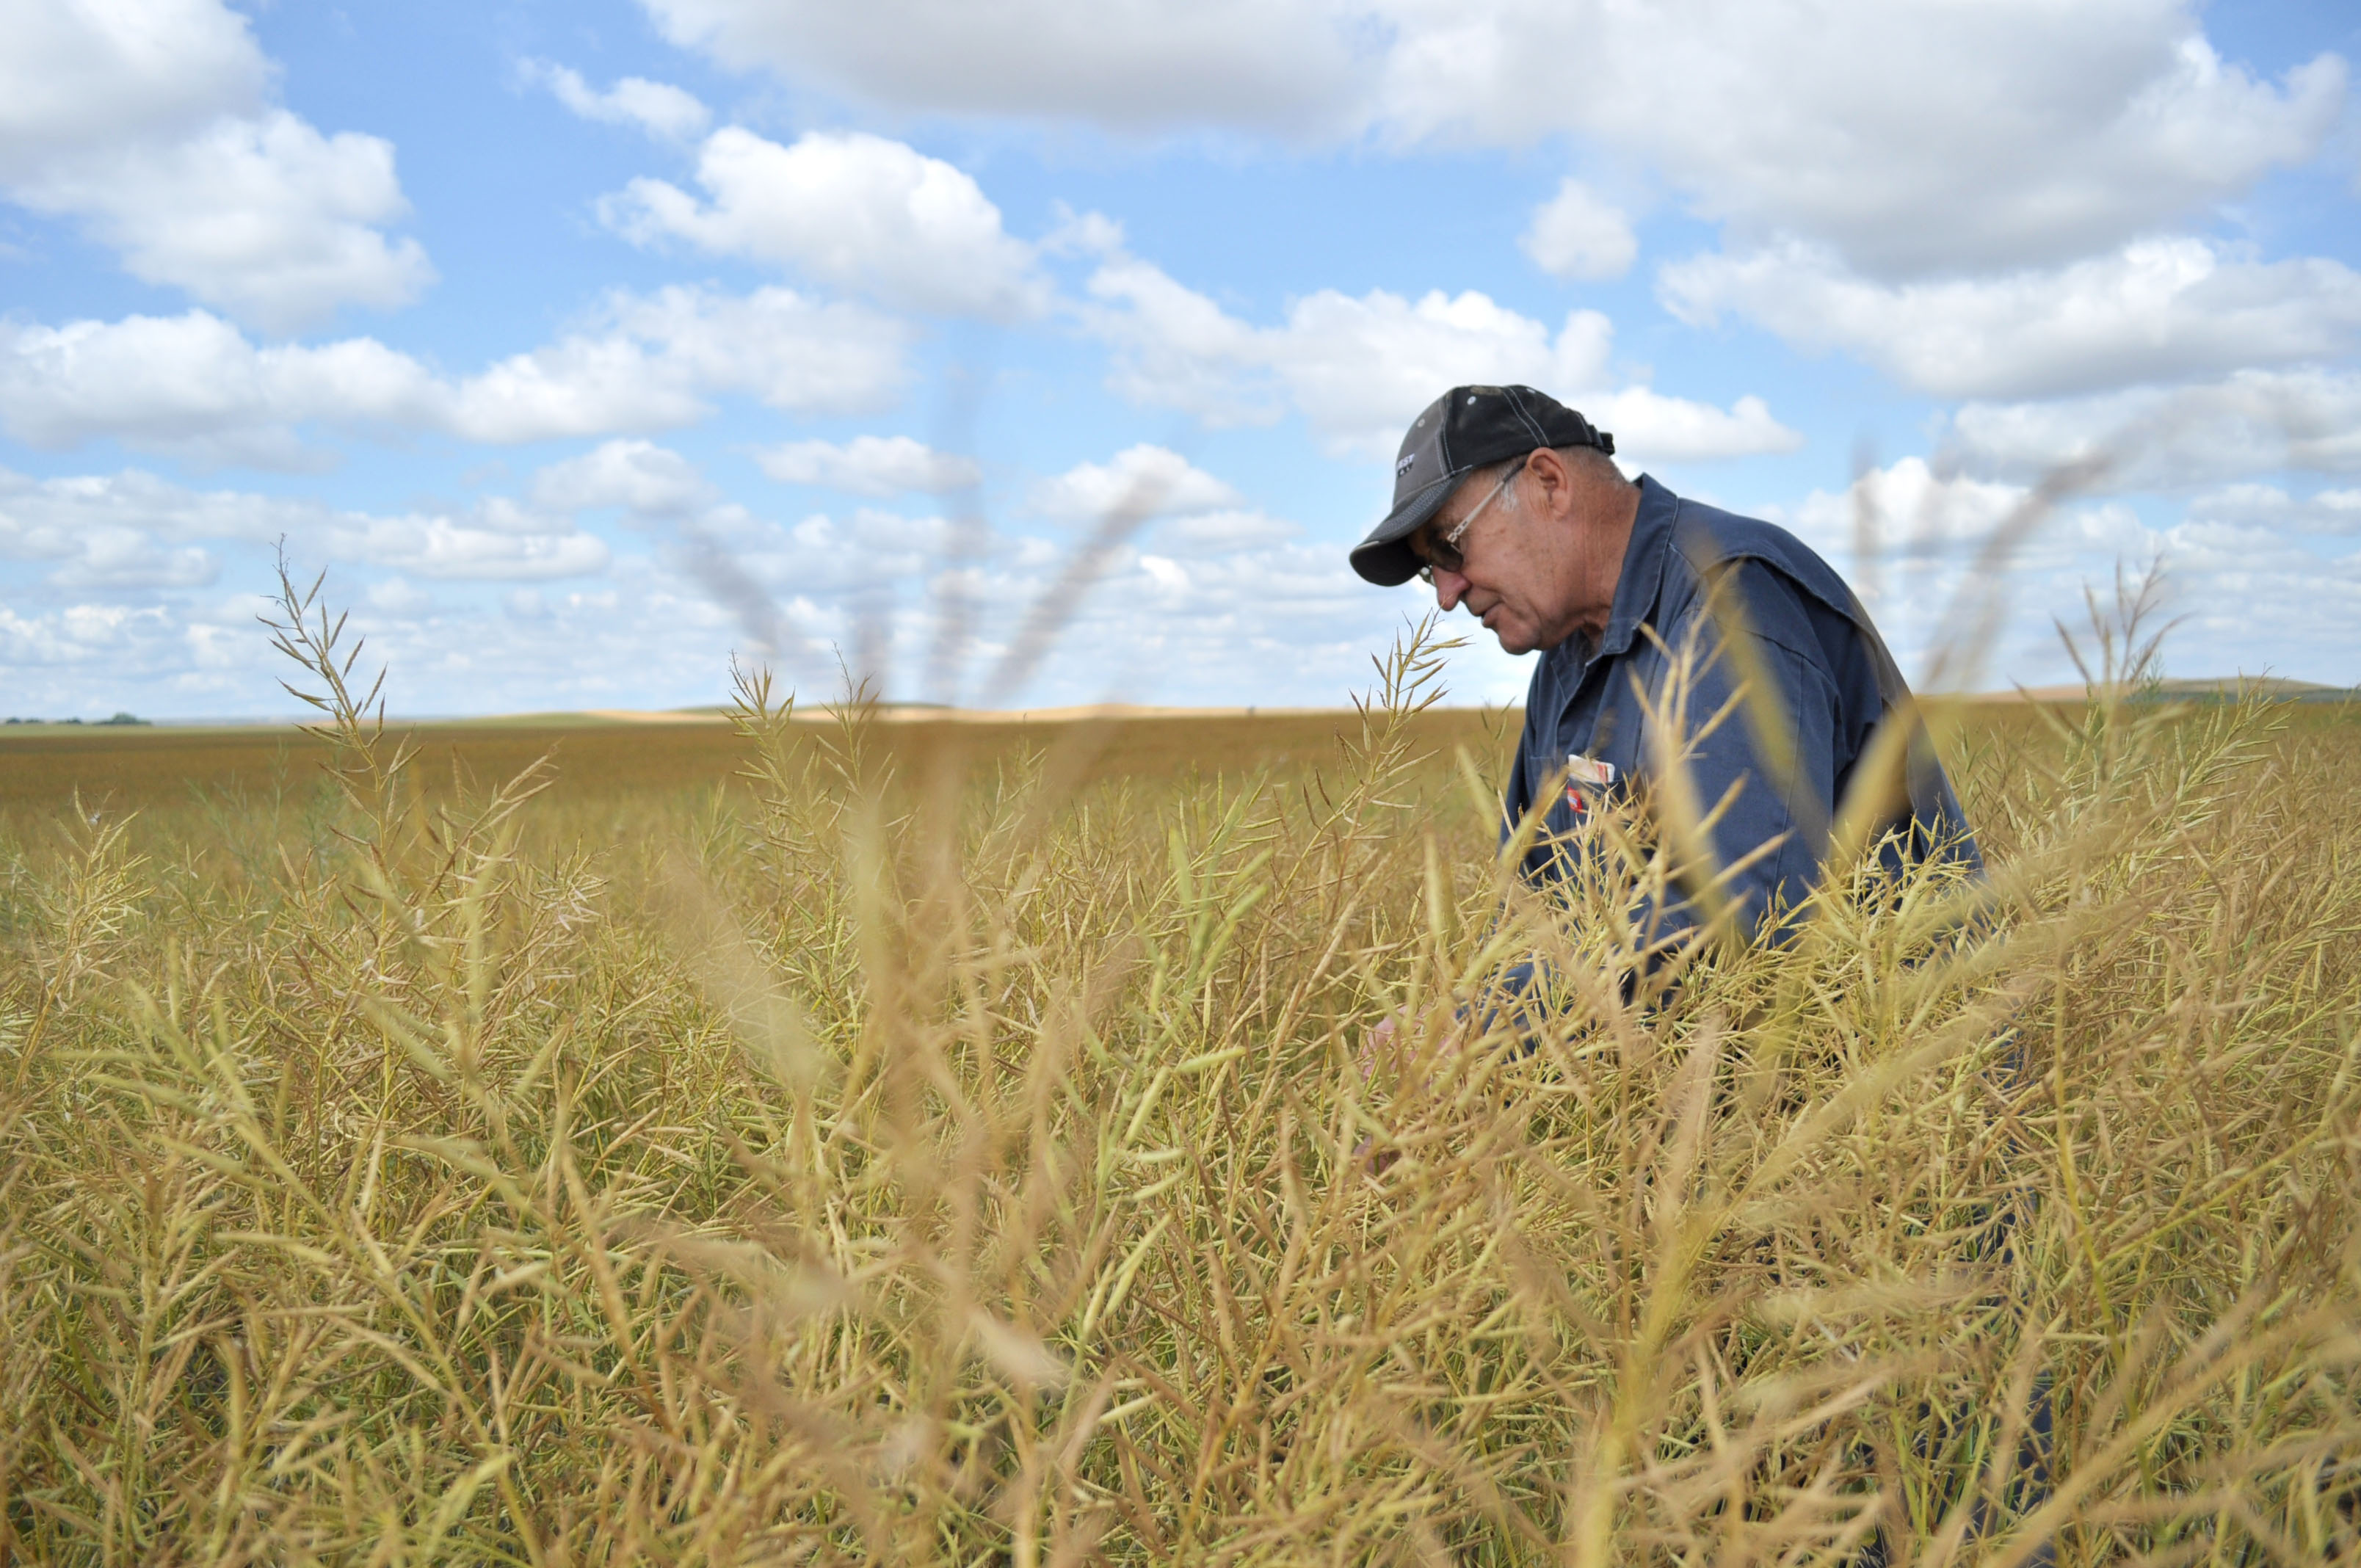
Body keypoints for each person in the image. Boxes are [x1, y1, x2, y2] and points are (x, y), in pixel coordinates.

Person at [1349, 384, 1978, 958]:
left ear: (1549, 483)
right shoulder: (1566, 667)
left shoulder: (1732, 602)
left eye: (1448, 546)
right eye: (1433, 570)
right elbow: (1532, 907)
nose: (1447, 594)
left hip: (1885, 1062)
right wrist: (1449, 1027)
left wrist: (1482, 1026)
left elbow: (1741, 918)